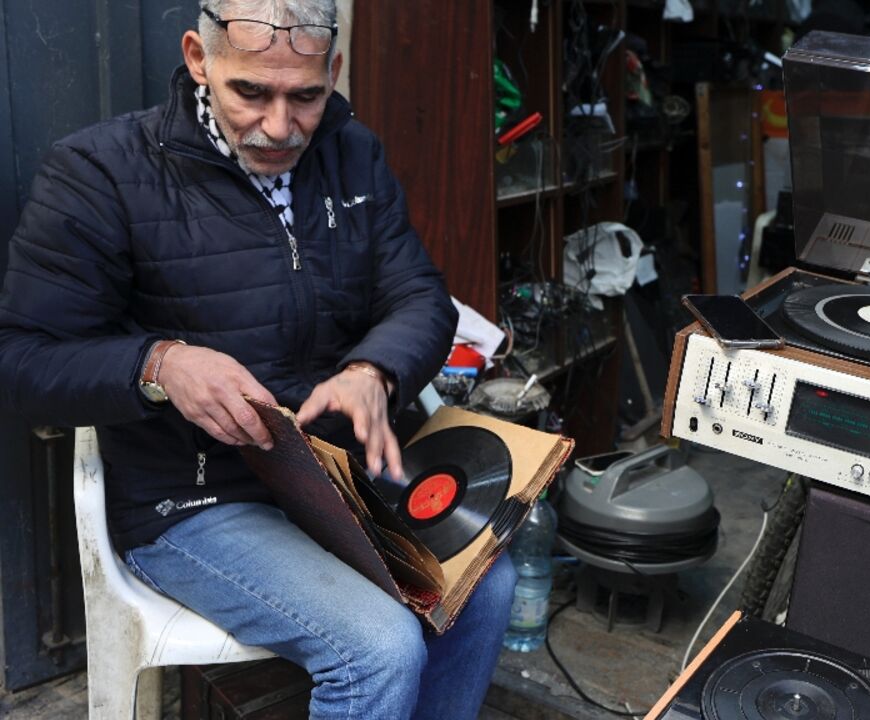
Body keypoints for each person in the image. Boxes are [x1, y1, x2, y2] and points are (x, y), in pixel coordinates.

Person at [0, 1, 515, 717]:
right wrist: (159, 365)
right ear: (199, 59)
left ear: (332, 71)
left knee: (485, 584)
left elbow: (420, 297)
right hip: (193, 499)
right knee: (379, 647)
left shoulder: (352, 151)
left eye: (305, 95)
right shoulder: (99, 172)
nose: (279, 126)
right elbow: (22, 362)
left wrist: (375, 370)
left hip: (334, 476)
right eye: (251, 92)